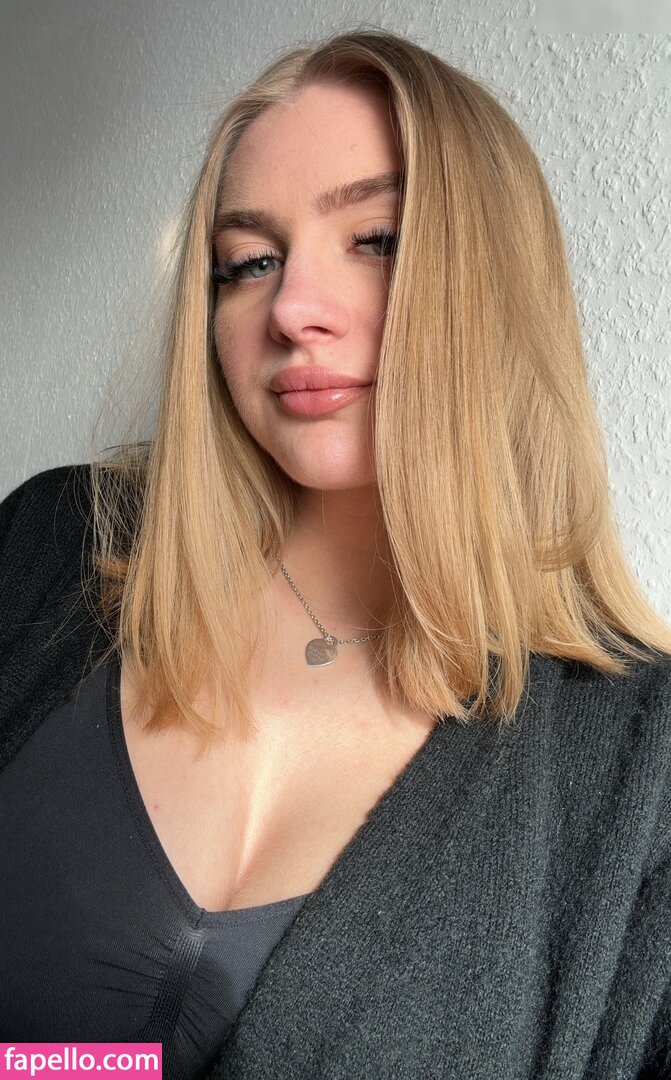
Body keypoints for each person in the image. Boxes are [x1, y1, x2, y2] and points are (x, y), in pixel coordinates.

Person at [1, 28, 670, 1080]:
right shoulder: (50, 545)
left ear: (496, 280)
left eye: (376, 239)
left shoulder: (640, 761)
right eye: (248, 262)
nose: (290, 310)